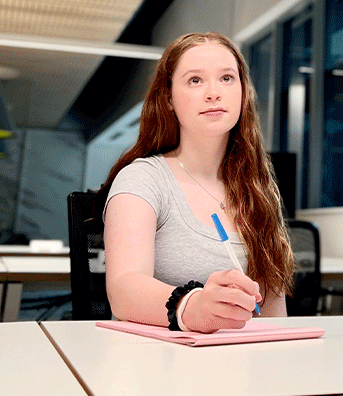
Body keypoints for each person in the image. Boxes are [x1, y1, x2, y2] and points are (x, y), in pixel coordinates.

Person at [97, 32, 294, 333]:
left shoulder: (258, 189)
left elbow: (272, 315)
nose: (213, 92)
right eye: (195, 80)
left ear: (243, 92)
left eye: (227, 78)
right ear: (169, 99)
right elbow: (124, 290)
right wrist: (192, 306)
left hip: (240, 366)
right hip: (152, 365)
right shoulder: (143, 179)